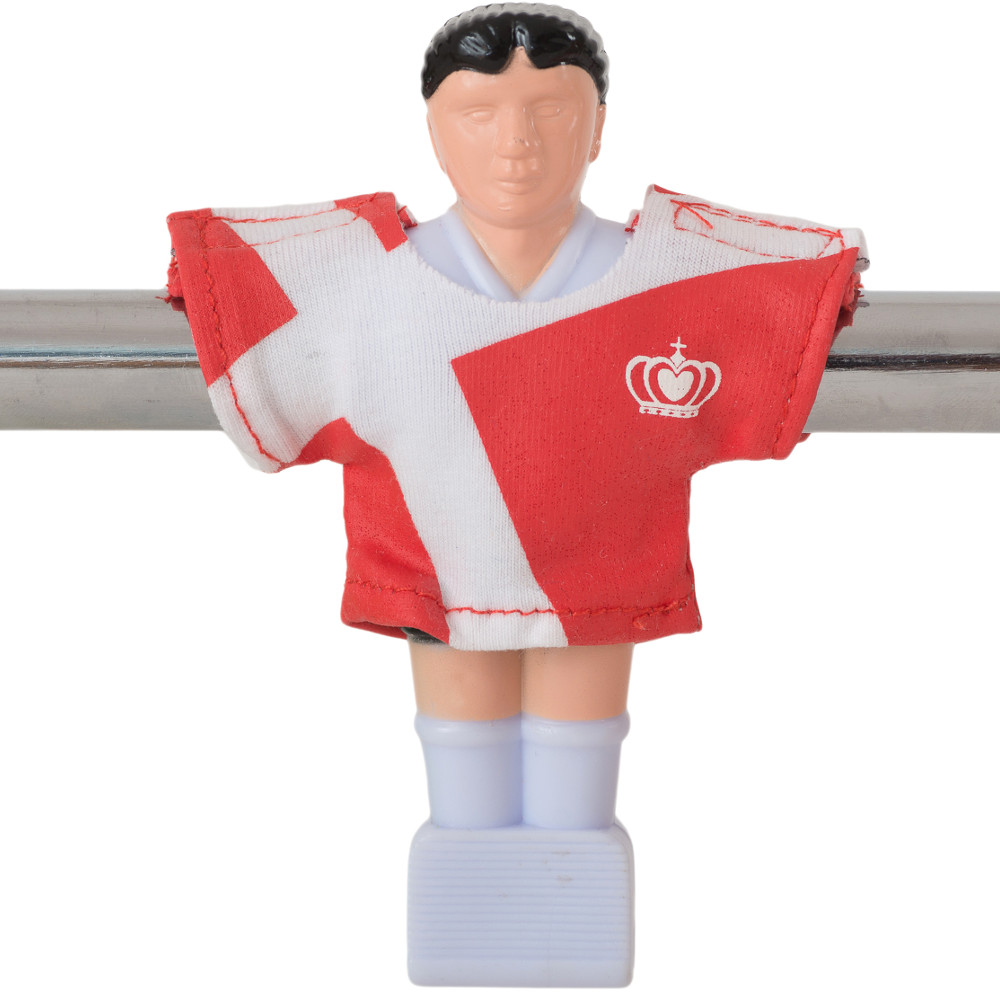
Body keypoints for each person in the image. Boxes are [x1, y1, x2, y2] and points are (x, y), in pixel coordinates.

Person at [166, 3, 865, 986]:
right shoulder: (354, 276)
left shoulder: (674, 271)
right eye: (479, 112)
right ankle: (475, 907)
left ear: (599, 126)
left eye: (551, 110)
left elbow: (783, 301)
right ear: (433, 130)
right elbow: (243, 298)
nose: (517, 142)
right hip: (437, 569)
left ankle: (569, 905)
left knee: (580, 755)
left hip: (600, 572)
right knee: (462, 753)